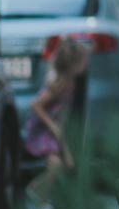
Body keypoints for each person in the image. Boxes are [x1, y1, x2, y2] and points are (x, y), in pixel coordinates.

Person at [26, 37, 91, 172]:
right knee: (56, 163)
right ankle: (39, 190)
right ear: (74, 64)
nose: (87, 63)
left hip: (57, 126)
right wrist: (52, 125)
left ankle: (47, 188)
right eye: (83, 60)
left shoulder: (72, 82)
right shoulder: (59, 84)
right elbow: (35, 105)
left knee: (63, 163)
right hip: (45, 130)